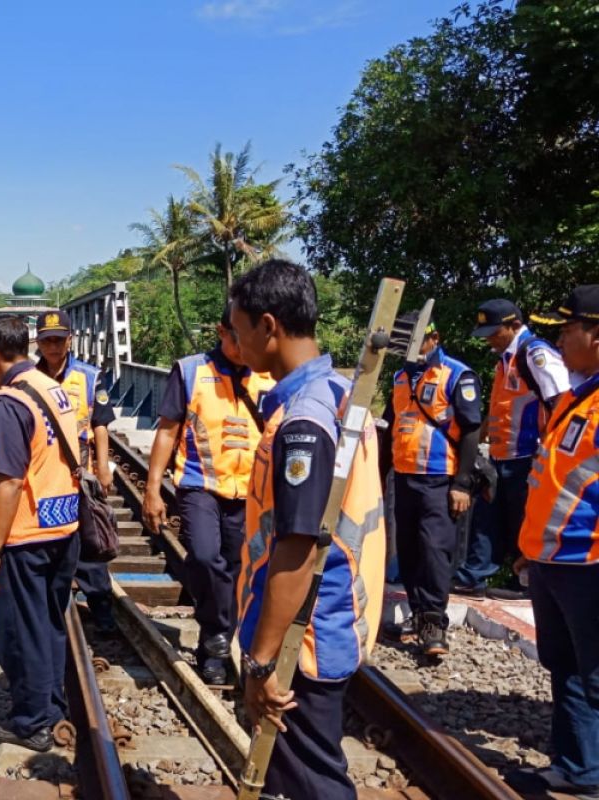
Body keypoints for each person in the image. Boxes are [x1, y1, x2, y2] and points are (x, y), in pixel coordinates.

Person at [229, 259, 386, 800]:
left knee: (312, 783)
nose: (234, 341)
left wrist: (262, 660)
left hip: (307, 634)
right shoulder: (341, 394)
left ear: (268, 326)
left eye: (238, 326)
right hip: (331, 619)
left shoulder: (303, 420)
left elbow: (296, 548)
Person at [143, 303, 274, 684]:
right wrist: (153, 489)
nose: (244, 346)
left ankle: (213, 646)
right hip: (200, 484)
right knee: (202, 558)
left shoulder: (266, 374)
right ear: (222, 331)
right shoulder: (190, 371)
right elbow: (167, 430)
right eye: (237, 337)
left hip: (250, 490)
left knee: (235, 572)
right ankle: (217, 632)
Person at [505, 285, 599, 800]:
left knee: (595, 676)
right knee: (564, 668)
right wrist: (530, 546)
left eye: (569, 329)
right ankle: (576, 770)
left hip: (589, 563)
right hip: (553, 559)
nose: (560, 339)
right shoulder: (579, 397)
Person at [0, 314, 81, 752]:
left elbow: (12, 481)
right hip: (64, 526)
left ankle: (33, 722)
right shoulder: (52, 388)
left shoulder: (9, 401)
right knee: (50, 625)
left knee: (22, 631)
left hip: (26, 534)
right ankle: (53, 706)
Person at [453, 298, 570, 599]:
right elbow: (500, 410)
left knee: (525, 520)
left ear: (514, 325)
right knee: (488, 516)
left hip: (528, 456)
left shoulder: (535, 354)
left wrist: (552, 448)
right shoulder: (505, 359)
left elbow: (562, 401)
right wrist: (474, 441)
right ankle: (474, 577)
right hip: (501, 455)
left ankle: (531, 586)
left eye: (494, 331)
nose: (490, 338)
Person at [381, 318, 482, 656]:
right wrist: (381, 474)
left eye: (415, 340)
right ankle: (417, 613)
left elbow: (471, 431)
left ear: (433, 338)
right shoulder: (399, 377)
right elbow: (391, 426)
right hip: (406, 477)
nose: (408, 347)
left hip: (440, 479)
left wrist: (463, 484)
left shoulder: (456, 375)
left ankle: (435, 622)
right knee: (408, 550)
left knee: (434, 551)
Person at [33, 309, 118, 634]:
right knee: (46, 536)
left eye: (59, 339)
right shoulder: (28, 377)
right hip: (41, 470)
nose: (53, 347)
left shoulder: (89, 376)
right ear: (38, 343)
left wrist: (102, 467)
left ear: (70, 339)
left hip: (78, 470)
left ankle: (101, 604)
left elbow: (100, 425)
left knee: (90, 538)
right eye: (47, 341)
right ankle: (49, 601)